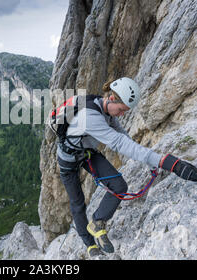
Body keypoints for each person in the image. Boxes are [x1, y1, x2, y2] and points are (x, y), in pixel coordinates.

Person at [56, 77, 197, 258]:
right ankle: (89, 244)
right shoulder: (89, 116)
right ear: (112, 98)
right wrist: (167, 163)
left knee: (120, 186)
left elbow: (125, 138)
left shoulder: (107, 111)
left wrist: (150, 162)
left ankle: (98, 221)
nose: (122, 114)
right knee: (77, 203)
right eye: (122, 110)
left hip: (87, 153)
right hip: (68, 160)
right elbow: (119, 143)